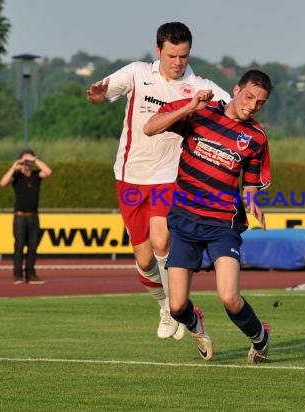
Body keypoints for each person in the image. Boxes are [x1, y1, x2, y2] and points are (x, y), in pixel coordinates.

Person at [86, 22, 230, 341]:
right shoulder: (138, 73)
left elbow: (231, 109)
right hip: (129, 176)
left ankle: (178, 308)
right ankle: (165, 305)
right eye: (172, 55)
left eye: (183, 55)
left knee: (162, 241)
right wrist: (96, 95)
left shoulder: (198, 85)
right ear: (158, 52)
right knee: (144, 258)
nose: (177, 62)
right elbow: (103, 92)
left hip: (169, 176)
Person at [144, 70, 273, 363]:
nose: (252, 105)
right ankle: (196, 325)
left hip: (222, 225)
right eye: (249, 96)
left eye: (260, 102)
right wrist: (189, 106)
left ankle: (260, 338)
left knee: (229, 297)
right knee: (177, 306)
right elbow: (150, 128)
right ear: (236, 89)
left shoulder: (255, 137)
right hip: (185, 220)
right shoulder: (201, 114)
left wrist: (252, 201)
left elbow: (250, 183)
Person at [0, 150, 53, 284]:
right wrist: (14, 166)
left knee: (33, 247)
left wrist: (36, 160)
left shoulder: (36, 175)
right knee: (19, 246)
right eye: (25, 160)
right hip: (20, 217)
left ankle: (31, 275)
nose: (27, 163)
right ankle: (18, 275)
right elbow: (3, 183)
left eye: (29, 160)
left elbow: (48, 172)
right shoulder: (16, 176)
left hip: (34, 216)